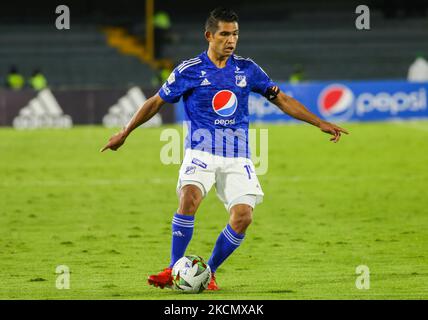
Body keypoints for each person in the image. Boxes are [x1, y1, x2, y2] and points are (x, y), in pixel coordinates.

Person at [101, 7, 348, 291]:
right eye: (224, 34)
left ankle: (209, 272)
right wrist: (125, 132)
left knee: (244, 217)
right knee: (189, 197)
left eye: (235, 34)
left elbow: (282, 99)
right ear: (209, 35)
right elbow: (155, 102)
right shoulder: (189, 70)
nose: (231, 40)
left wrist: (319, 122)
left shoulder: (248, 69)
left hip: (237, 156)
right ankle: (172, 269)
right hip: (200, 151)